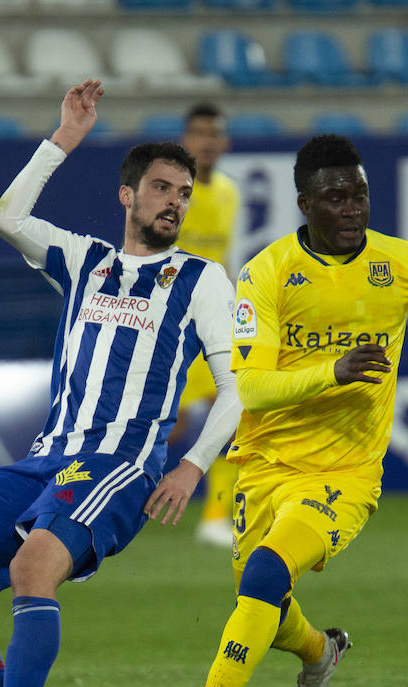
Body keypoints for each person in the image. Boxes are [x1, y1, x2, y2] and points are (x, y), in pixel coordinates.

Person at [0, 79, 243, 687]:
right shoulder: (84, 259)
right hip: (46, 455)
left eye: (183, 192)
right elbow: (7, 215)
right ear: (128, 195)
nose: (174, 202)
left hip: (122, 465)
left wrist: (190, 466)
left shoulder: (202, 280)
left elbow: (236, 391)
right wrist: (63, 139)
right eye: (160, 187)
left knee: (35, 565)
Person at [136, 133, 408, 687]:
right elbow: (253, 387)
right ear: (305, 203)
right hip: (265, 462)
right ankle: (321, 651)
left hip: (345, 472)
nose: (352, 208)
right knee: (261, 602)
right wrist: (336, 369)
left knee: (266, 575)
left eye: (359, 194)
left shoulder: (404, 261)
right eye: (335, 197)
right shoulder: (267, 274)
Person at [169, 102, 244, 547]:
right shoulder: (174, 191)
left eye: (214, 133)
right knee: (167, 425)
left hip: (213, 322)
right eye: (198, 133)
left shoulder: (230, 193)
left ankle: (216, 517)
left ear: (226, 141)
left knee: (238, 412)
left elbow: (224, 257)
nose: (208, 141)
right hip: (174, 323)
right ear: (185, 140)